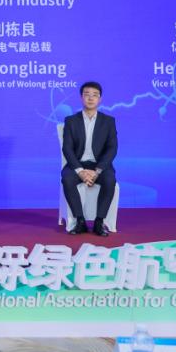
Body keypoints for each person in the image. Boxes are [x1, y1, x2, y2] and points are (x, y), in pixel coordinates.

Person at [61, 81, 118, 237]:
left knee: (110, 180)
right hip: (77, 164)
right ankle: (80, 221)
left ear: (100, 99)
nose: (91, 98)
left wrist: (97, 171)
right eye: (87, 95)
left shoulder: (108, 121)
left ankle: (99, 222)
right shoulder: (71, 121)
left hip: (100, 165)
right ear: (81, 98)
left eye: (95, 95)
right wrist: (80, 171)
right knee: (67, 179)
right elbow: (67, 148)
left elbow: (112, 148)